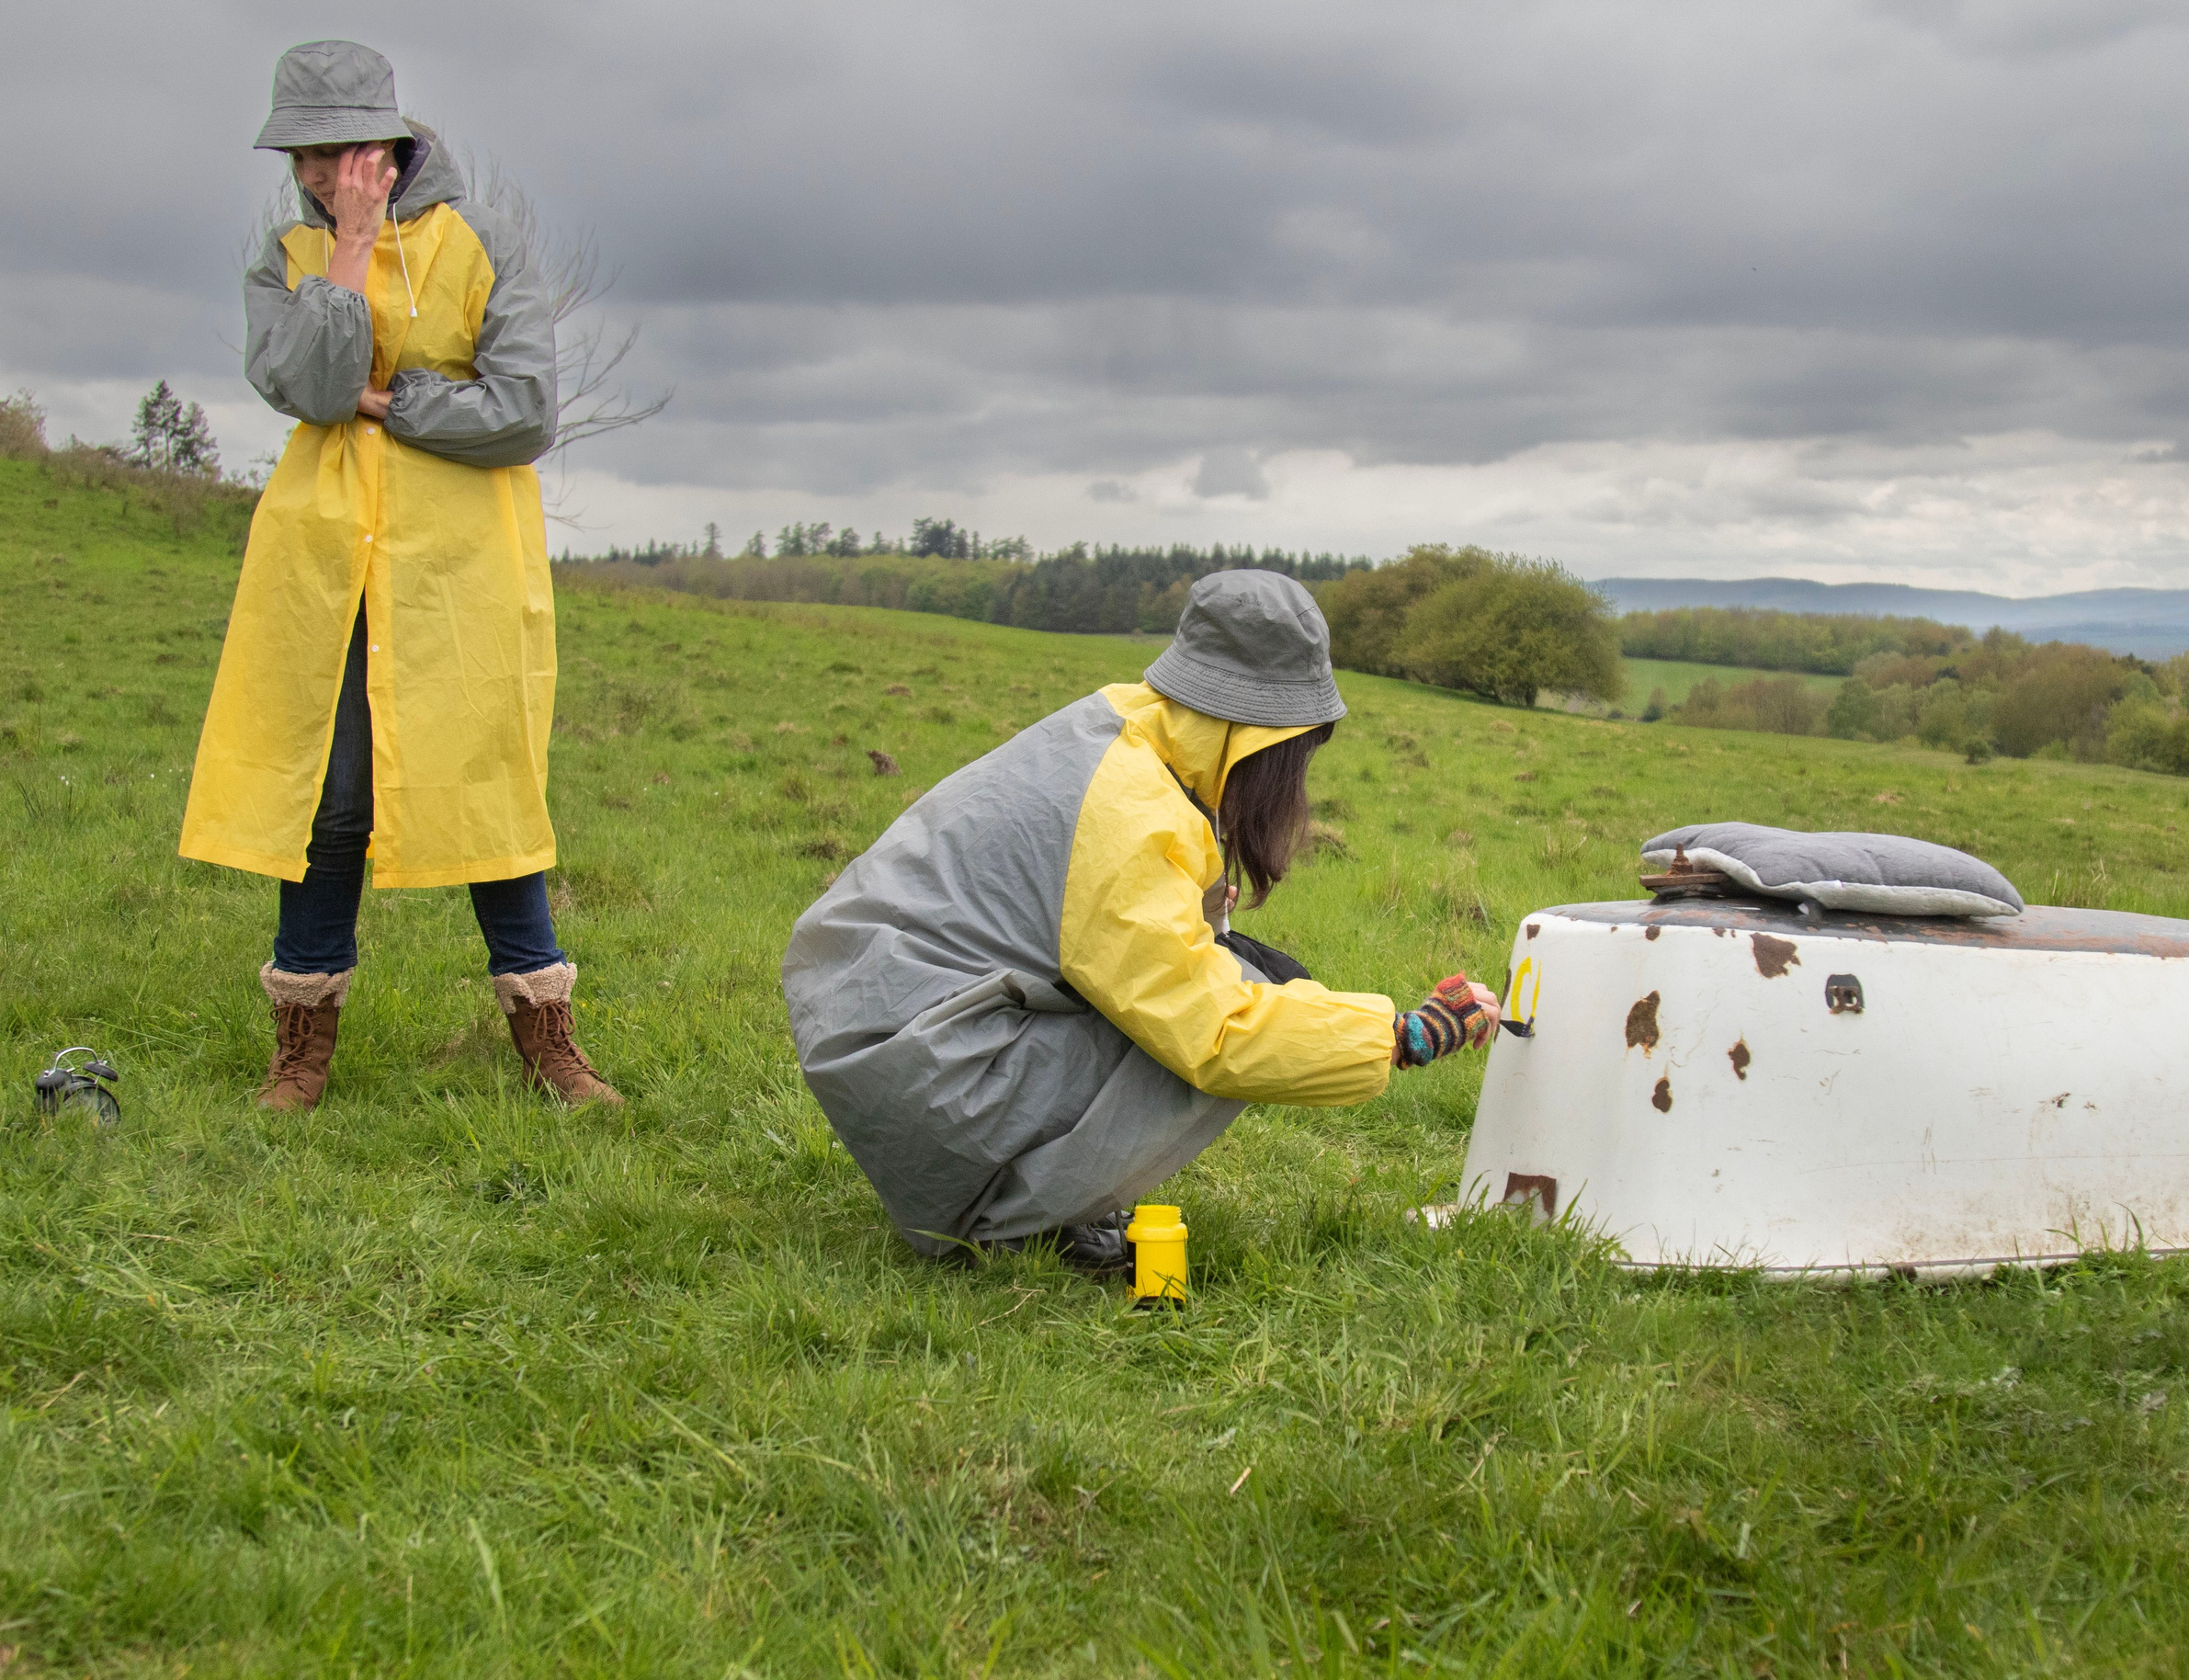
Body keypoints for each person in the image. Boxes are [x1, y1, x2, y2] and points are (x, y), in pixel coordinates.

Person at [783, 571, 1501, 1268]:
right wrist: (1405, 1035)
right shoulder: (1130, 810)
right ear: (1268, 738)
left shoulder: (1125, 731)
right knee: (1223, 1019)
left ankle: (1023, 1197)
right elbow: (1212, 1030)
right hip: (922, 1066)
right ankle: (997, 1221)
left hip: (893, 1027)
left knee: (1253, 973)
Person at [179, 40, 618, 1111]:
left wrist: (394, 400)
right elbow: (314, 387)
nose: (317, 176)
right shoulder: (289, 254)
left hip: (461, 564)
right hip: (323, 561)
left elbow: (521, 413)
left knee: (487, 787)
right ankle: (301, 1048)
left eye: (334, 154)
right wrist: (350, 249)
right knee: (327, 799)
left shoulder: (485, 239)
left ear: (384, 143)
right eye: (302, 158)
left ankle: (548, 1041)